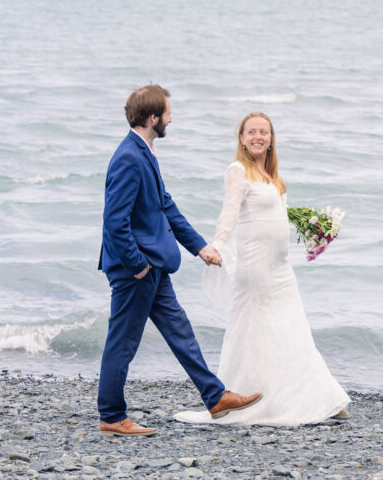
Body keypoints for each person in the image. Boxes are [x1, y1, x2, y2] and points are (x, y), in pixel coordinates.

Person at [97, 85, 262, 437]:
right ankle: (111, 415)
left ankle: (215, 397)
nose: (172, 117)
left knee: (180, 332)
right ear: (153, 117)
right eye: (168, 112)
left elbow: (165, 206)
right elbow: (115, 221)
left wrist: (200, 248)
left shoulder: (145, 151)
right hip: (137, 270)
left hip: (154, 266)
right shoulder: (128, 157)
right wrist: (138, 264)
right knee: (122, 343)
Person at [176, 112, 350, 425]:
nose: (258, 137)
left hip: (280, 267)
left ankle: (316, 396)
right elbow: (229, 213)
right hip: (255, 267)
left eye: (264, 132)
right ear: (241, 138)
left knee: (292, 328)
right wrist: (216, 244)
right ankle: (247, 396)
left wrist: (312, 227)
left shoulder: (271, 175)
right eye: (252, 132)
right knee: (256, 330)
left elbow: (276, 215)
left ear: (271, 139)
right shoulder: (238, 170)